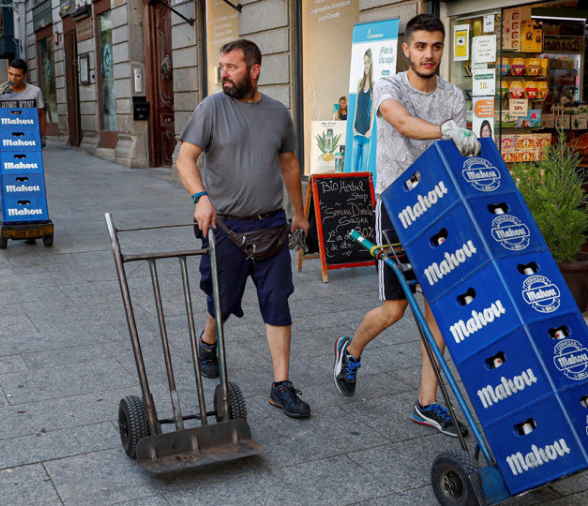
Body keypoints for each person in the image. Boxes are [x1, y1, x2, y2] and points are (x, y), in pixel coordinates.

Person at [333, 13, 481, 437]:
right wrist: (446, 130)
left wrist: (464, 143)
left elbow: (454, 153)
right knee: (396, 309)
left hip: (441, 211)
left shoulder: (453, 96)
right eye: (421, 46)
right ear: (407, 50)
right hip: (398, 209)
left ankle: (426, 403)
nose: (429, 54)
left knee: (438, 310)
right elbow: (399, 121)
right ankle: (352, 348)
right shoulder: (389, 86)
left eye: (436, 46)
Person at [176, 39, 312, 419]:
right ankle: (208, 341)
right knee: (221, 298)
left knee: (277, 301)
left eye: (231, 67)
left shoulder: (278, 113)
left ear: (254, 70)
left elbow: (288, 165)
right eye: (221, 67)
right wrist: (200, 197)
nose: (224, 74)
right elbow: (185, 159)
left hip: (270, 225)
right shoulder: (211, 108)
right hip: (225, 227)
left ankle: (280, 385)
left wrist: (298, 213)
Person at [0, 59, 46, 143]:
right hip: (8, 139)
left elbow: (41, 115)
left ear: (25, 76)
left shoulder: (35, 91)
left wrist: (42, 137)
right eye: (10, 74)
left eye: (17, 75)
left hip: (29, 138)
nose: (12, 78)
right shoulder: (0, 92)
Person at [351, 48, 374, 172]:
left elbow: (373, 111)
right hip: (357, 133)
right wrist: (353, 128)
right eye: (364, 62)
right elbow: (356, 107)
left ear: (372, 64)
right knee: (354, 170)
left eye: (368, 62)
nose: (366, 65)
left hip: (366, 136)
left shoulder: (374, 86)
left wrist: (370, 130)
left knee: (364, 172)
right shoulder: (359, 83)